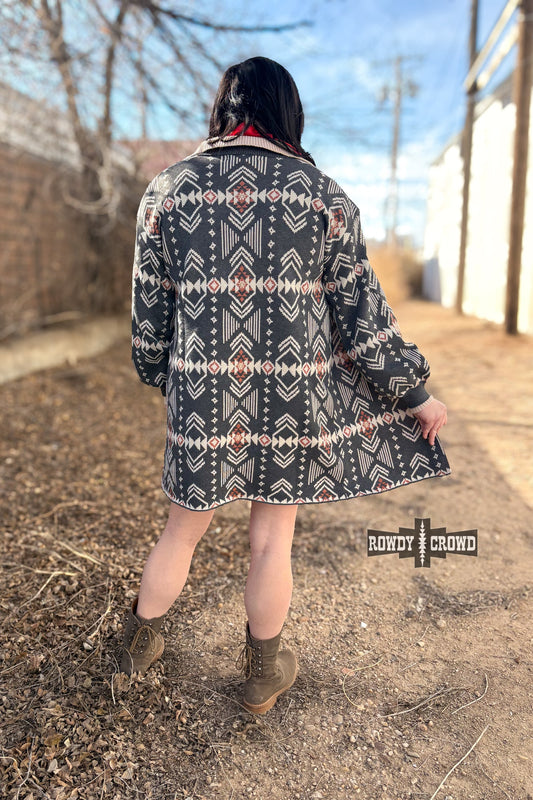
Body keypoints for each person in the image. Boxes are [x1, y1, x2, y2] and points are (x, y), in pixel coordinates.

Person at [120, 56, 450, 714]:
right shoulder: (324, 197)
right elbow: (361, 318)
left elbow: (148, 309)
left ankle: (134, 650)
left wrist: (163, 374)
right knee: (272, 541)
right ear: (287, 111)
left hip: (204, 396)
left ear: (225, 108)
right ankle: (261, 676)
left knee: (180, 533)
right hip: (290, 400)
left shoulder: (168, 190)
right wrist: (414, 393)